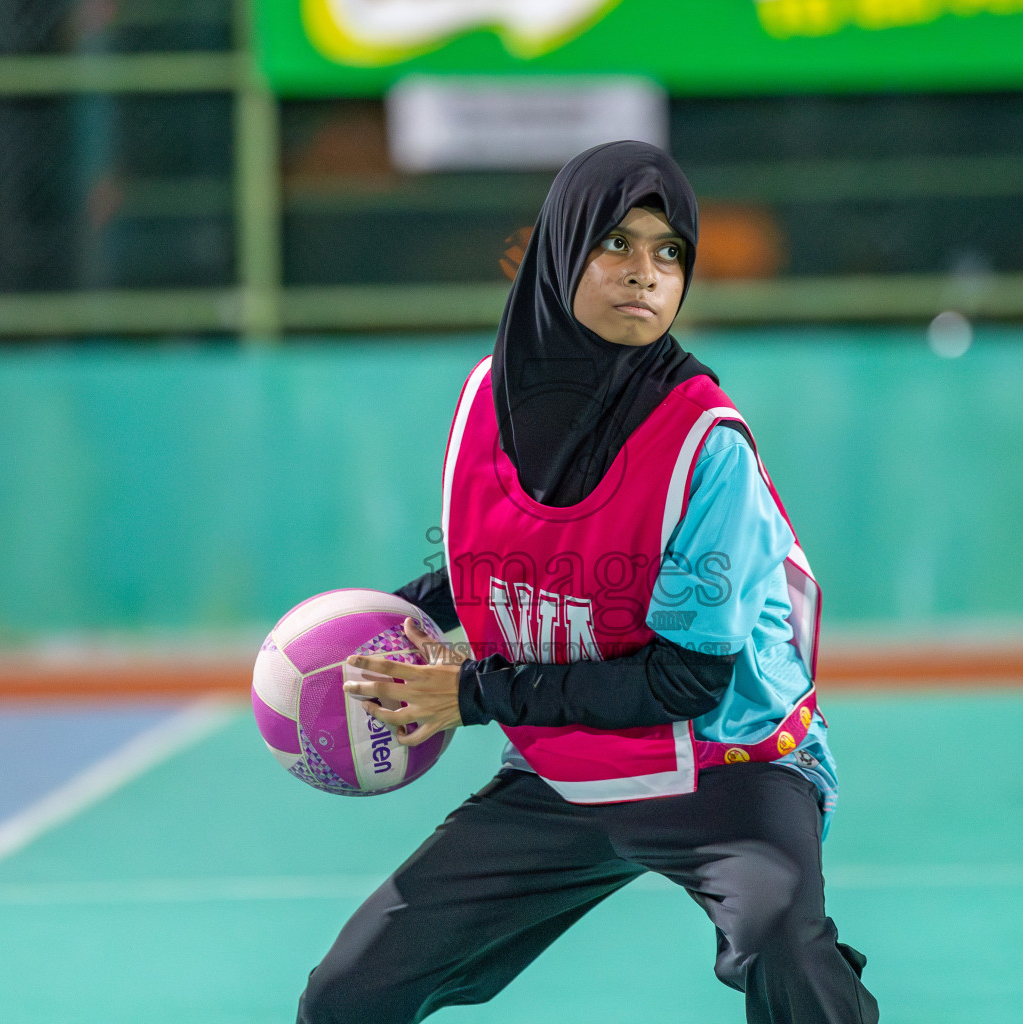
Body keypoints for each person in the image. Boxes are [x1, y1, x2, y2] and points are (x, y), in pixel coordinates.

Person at [299, 141, 877, 1024]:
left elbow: (685, 680)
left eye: (669, 252)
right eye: (617, 243)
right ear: (561, 252)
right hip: (567, 769)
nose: (646, 273)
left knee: (780, 943)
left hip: (726, 770)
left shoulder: (704, 444)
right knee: (348, 995)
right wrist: (375, 629)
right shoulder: (488, 401)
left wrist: (472, 692)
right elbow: (489, 568)